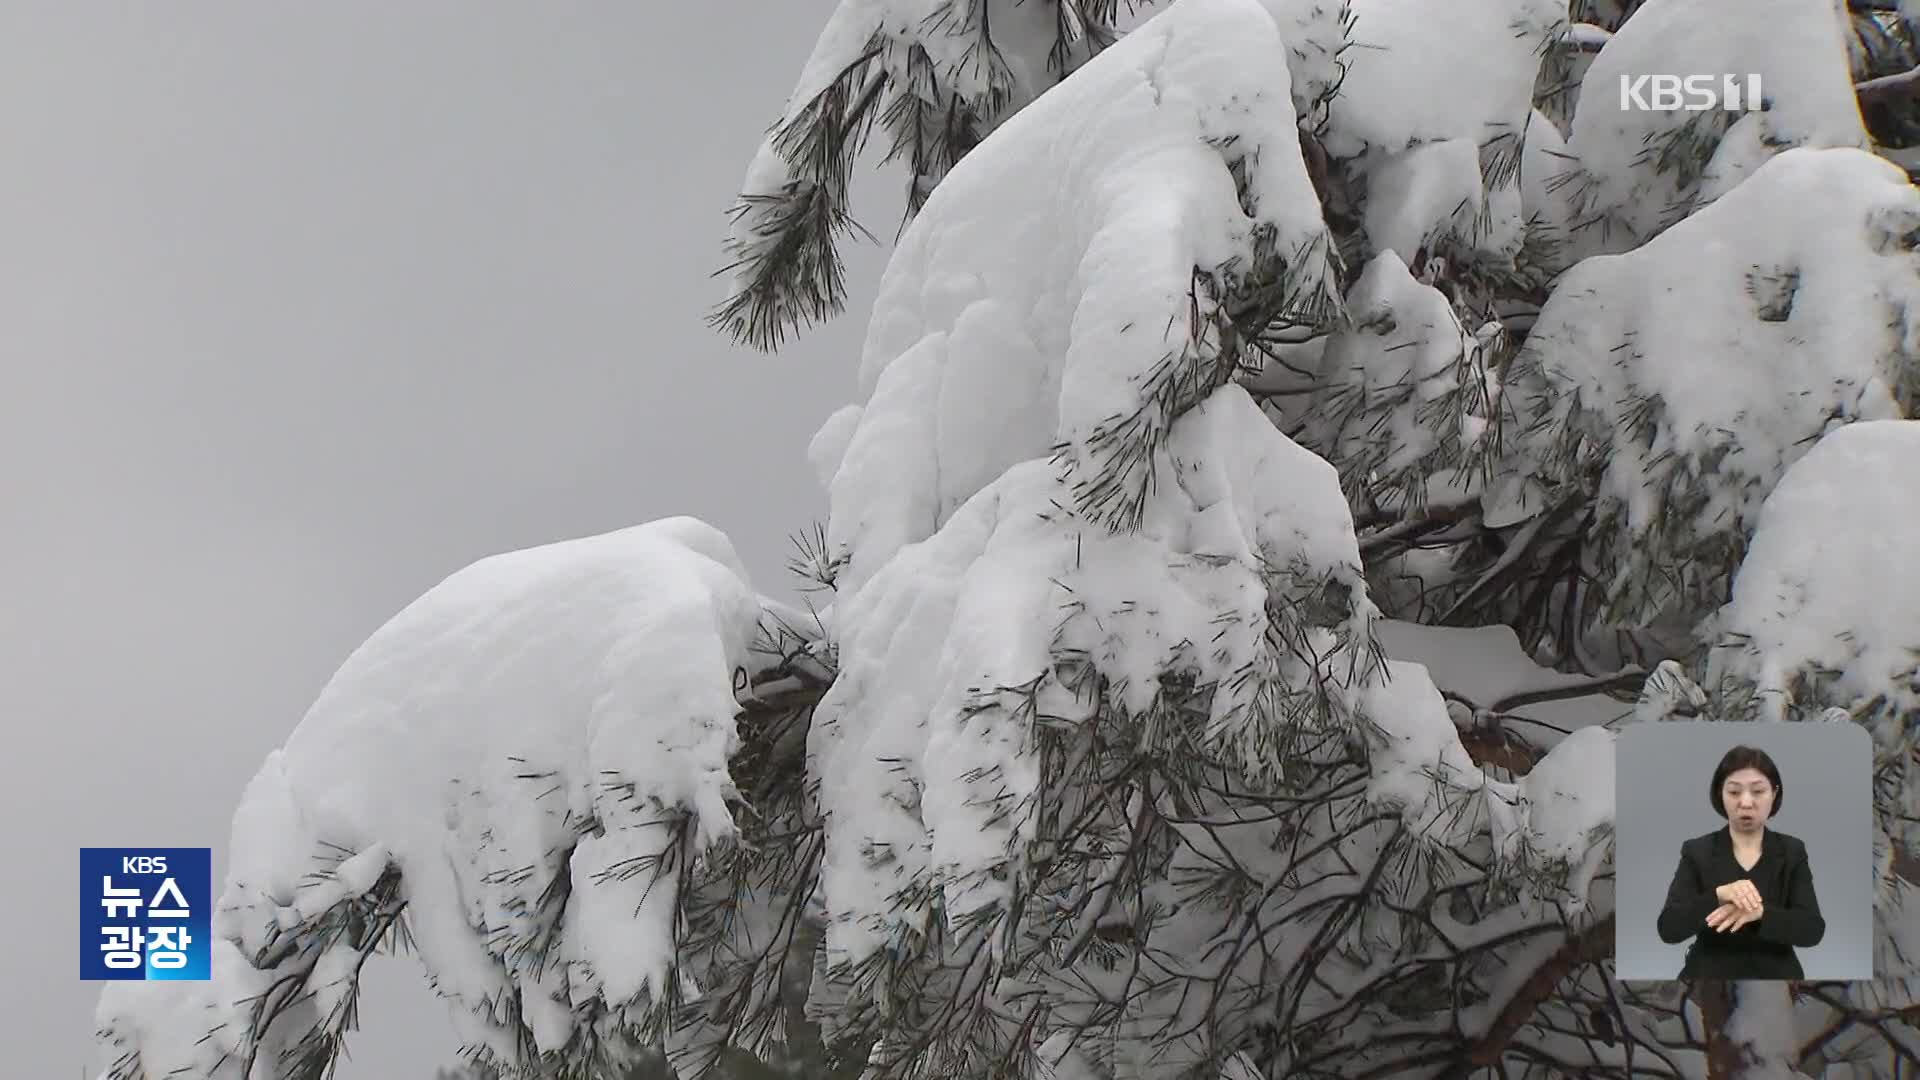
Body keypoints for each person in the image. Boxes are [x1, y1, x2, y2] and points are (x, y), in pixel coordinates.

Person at [1655, 745, 1826, 979]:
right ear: (1720, 794)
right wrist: (1719, 894)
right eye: (1734, 792)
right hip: (1708, 983)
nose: (1746, 803)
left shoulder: (1792, 851)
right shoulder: (1697, 851)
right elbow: (1669, 928)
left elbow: (1812, 930)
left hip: (1777, 983)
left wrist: (1761, 914)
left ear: (1774, 793)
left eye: (1758, 791)